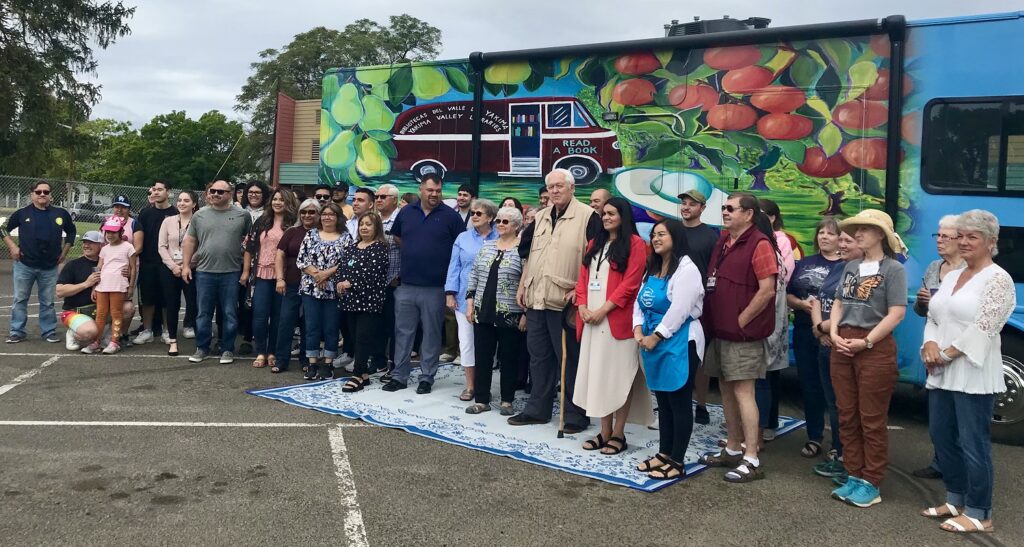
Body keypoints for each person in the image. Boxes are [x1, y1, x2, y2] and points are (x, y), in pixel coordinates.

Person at [920, 209, 1014, 534]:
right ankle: (954, 497)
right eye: (960, 236)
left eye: (971, 236)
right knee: (941, 436)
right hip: (941, 369)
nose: (963, 242)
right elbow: (934, 315)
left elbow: (985, 326)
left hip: (972, 372)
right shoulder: (950, 276)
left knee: (974, 443)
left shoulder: (999, 280)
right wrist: (928, 345)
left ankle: (979, 512)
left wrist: (943, 353)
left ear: (991, 242)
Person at [510, 168, 601, 430]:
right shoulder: (540, 217)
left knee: (569, 360)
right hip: (537, 297)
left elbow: (595, 259)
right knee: (538, 357)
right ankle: (538, 409)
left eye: (560, 186)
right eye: (551, 187)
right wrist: (522, 284)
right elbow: (529, 255)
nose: (555, 191)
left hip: (566, 301)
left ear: (572, 188)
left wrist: (581, 290)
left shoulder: (588, 217)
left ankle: (574, 414)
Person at [828, 209, 908, 507]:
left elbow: (897, 313)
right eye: (856, 228)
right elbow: (838, 302)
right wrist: (834, 333)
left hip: (874, 346)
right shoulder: (851, 266)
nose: (857, 233)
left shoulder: (893, 269)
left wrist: (867, 342)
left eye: (865, 229)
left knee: (871, 418)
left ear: (881, 236)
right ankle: (853, 474)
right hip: (844, 342)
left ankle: (871, 481)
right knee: (846, 413)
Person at [698, 193, 777, 483]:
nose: (725, 212)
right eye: (724, 208)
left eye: (731, 209)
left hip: (742, 336)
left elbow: (767, 288)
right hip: (720, 332)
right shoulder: (723, 241)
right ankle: (732, 447)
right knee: (726, 390)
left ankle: (751, 456)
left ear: (749, 214)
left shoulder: (760, 244)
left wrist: (741, 319)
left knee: (744, 391)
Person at [573, 197, 650, 455]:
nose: (606, 217)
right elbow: (582, 279)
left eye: (612, 213)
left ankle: (619, 433)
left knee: (618, 378)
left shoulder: (636, 245)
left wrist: (603, 310)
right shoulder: (595, 243)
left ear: (623, 216)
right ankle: (603, 431)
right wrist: (583, 307)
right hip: (591, 321)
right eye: (604, 213)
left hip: (616, 321)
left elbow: (630, 285)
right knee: (598, 376)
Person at [633, 219, 705, 480]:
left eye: (662, 234)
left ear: (675, 237)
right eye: (653, 234)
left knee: (679, 400)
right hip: (651, 339)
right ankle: (664, 453)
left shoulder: (687, 269)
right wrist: (638, 329)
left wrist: (657, 335)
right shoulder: (653, 267)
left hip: (679, 341)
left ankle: (677, 460)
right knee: (662, 400)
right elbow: (640, 302)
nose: (656, 238)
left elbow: (680, 309)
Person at [382, 174, 466, 393]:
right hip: (407, 284)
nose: (434, 195)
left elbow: (461, 247)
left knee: (431, 333)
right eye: (430, 190)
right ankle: (399, 375)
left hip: (436, 287)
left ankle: (427, 377)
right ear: (421, 189)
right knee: (403, 332)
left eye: (438, 191)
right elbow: (398, 238)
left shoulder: (451, 217)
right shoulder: (406, 212)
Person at [911, 215, 966, 480]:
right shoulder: (934, 267)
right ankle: (939, 462)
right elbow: (922, 312)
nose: (940, 241)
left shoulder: (971, 270)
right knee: (939, 414)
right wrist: (923, 302)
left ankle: (956, 468)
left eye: (946, 236)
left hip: (958, 350)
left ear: (961, 240)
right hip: (933, 346)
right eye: (938, 236)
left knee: (960, 415)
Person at [785, 217, 843, 456]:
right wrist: (800, 304)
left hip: (832, 336)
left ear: (841, 238)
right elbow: (788, 295)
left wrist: (825, 329)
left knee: (836, 392)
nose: (824, 237)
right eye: (821, 232)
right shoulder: (805, 262)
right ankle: (814, 436)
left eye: (830, 233)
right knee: (810, 387)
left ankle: (839, 445)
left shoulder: (847, 265)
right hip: (803, 331)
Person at [181, 180, 253, 364]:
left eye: (221, 192)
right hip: (204, 271)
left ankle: (228, 348)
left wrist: (246, 271)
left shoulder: (243, 215)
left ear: (230, 194)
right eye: (212, 191)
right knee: (203, 313)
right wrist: (186, 265)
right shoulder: (199, 215)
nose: (215, 194)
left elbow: (249, 244)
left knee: (230, 312)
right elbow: (190, 241)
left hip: (231, 272)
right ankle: (202, 348)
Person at [464, 206, 527, 415]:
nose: (500, 224)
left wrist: (525, 313)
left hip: (510, 313)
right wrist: (470, 304)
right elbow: (474, 275)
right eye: (498, 220)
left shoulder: (522, 251)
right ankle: (481, 399)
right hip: (483, 310)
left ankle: (507, 400)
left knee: (509, 357)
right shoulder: (487, 246)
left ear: (517, 226)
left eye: (505, 221)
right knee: (483, 356)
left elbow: (527, 283)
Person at [810, 230, 861, 480]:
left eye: (847, 240)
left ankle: (848, 460)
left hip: (840, 344)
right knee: (833, 404)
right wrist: (819, 329)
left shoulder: (862, 272)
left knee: (846, 405)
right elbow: (820, 299)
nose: (841, 244)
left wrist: (825, 328)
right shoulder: (839, 267)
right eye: (840, 240)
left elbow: (851, 310)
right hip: (825, 343)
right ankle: (838, 452)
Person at [3, 181, 76, 343]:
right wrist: (13, 246)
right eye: (38, 192)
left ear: (51, 194)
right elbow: (2, 228)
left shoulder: (60, 214)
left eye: (45, 191)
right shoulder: (22, 214)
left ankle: (48, 331)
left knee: (48, 301)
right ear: (32, 194)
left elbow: (71, 231)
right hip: (24, 265)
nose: (42, 194)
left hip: (49, 266)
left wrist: (65, 252)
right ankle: (17, 331)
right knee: (20, 299)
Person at [445, 199, 499, 400]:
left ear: (490, 217)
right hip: (462, 297)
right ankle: (470, 386)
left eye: (479, 213)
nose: (474, 216)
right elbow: (454, 266)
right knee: (466, 342)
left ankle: (484, 386)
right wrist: (450, 292)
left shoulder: (501, 236)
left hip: (492, 300)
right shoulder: (463, 237)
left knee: (487, 345)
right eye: (473, 213)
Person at [677, 189, 718, 425]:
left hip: (699, 306)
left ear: (702, 208)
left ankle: (701, 404)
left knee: (698, 357)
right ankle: (675, 398)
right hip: (671, 303)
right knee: (674, 354)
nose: (686, 207)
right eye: (684, 203)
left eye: (692, 204)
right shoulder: (673, 231)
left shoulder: (710, 237)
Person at [337, 212, 390, 392]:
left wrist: (350, 283)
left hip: (369, 301)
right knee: (352, 336)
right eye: (362, 224)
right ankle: (364, 375)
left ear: (377, 228)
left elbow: (372, 274)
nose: (364, 227)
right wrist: (340, 281)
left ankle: (358, 374)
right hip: (350, 301)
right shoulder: (353, 246)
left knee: (363, 338)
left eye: (369, 224)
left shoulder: (380, 248)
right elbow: (343, 266)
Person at [243, 188, 296, 369]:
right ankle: (261, 351)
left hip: (284, 276)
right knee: (259, 315)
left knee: (278, 316)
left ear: (288, 202)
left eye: (282, 200)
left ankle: (273, 351)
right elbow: (249, 247)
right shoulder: (262, 221)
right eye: (275, 199)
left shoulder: (293, 223)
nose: (278, 203)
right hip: (261, 274)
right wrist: (245, 272)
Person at [296, 201, 349, 381]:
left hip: (334, 290)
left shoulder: (346, 237)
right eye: (324, 214)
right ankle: (312, 364)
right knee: (311, 327)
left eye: (331, 214)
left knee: (331, 328)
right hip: (311, 288)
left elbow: (348, 263)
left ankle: (327, 364)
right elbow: (301, 260)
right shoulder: (311, 235)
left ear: (338, 217)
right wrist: (318, 275)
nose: (327, 217)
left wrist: (326, 275)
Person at [57, 231, 135, 350]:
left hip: (98, 310)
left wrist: (127, 273)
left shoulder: (112, 264)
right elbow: (60, 291)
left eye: (91, 243)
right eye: (84, 243)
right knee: (89, 332)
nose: (86, 246)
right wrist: (86, 284)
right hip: (74, 312)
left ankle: (111, 337)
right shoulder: (73, 265)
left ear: (101, 245)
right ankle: (74, 333)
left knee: (128, 308)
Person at [753, 211, 789, 451]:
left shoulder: (765, 253)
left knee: (760, 379)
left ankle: (759, 429)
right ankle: (767, 425)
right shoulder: (774, 251)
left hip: (765, 324)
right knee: (767, 378)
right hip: (774, 323)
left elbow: (767, 293)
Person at [272, 198, 319, 373]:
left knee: (309, 323)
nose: (307, 215)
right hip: (291, 283)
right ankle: (281, 359)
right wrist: (280, 279)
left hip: (314, 286)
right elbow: (280, 256)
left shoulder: (323, 233)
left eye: (312, 212)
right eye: (304, 212)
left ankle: (306, 360)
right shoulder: (292, 232)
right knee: (286, 322)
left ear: (318, 214)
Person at [335, 186, 377, 369]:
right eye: (355, 199)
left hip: (366, 288)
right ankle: (349, 353)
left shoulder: (376, 225)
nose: (356, 202)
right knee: (347, 323)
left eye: (361, 200)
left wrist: (351, 281)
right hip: (345, 282)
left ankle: (364, 359)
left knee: (364, 329)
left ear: (371, 204)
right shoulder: (348, 223)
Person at [83, 217, 136, 354]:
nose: (110, 235)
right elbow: (99, 268)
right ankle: (97, 341)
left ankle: (114, 341)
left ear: (120, 232)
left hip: (118, 285)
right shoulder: (105, 249)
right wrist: (94, 287)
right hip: (102, 286)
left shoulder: (128, 247)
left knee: (116, 313)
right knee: (100, 314)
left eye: (113, 232)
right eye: (107, 232)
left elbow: (133, 268)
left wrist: (131, 286)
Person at [133, 181, 178, 345]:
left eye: (160, 189)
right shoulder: (145, 213)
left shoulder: (175, 213)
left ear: (168, 192)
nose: (156, 192)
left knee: (167, 298)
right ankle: (147, 330)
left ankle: (167, 331)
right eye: (154, 190)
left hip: (168, 262)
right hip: (148, 262)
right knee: (147, 299)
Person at [157, 191, 200, 356]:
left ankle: (200, 343)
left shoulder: (199, 222)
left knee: (194, 304)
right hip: (170, 269)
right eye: (180, 200)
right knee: (172, 305)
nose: (182, 203)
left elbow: (202, 247)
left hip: (191, 269)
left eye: (186, 200)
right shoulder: (168, 221)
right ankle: (173, 341)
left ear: (194, 204)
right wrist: (174, 266)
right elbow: (162, 246)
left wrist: (187, 264)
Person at [375, 184, 402, 376]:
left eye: (383, 197)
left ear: (394, 199)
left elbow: (408, 250)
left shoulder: (401, 220)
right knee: (376, 325)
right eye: (376, 196)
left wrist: (400, 276)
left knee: (394, 325)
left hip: (394, 282)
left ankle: (394, 364)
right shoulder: (372, 220)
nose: (378, 199)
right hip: (373, 283)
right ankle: (378, 362)